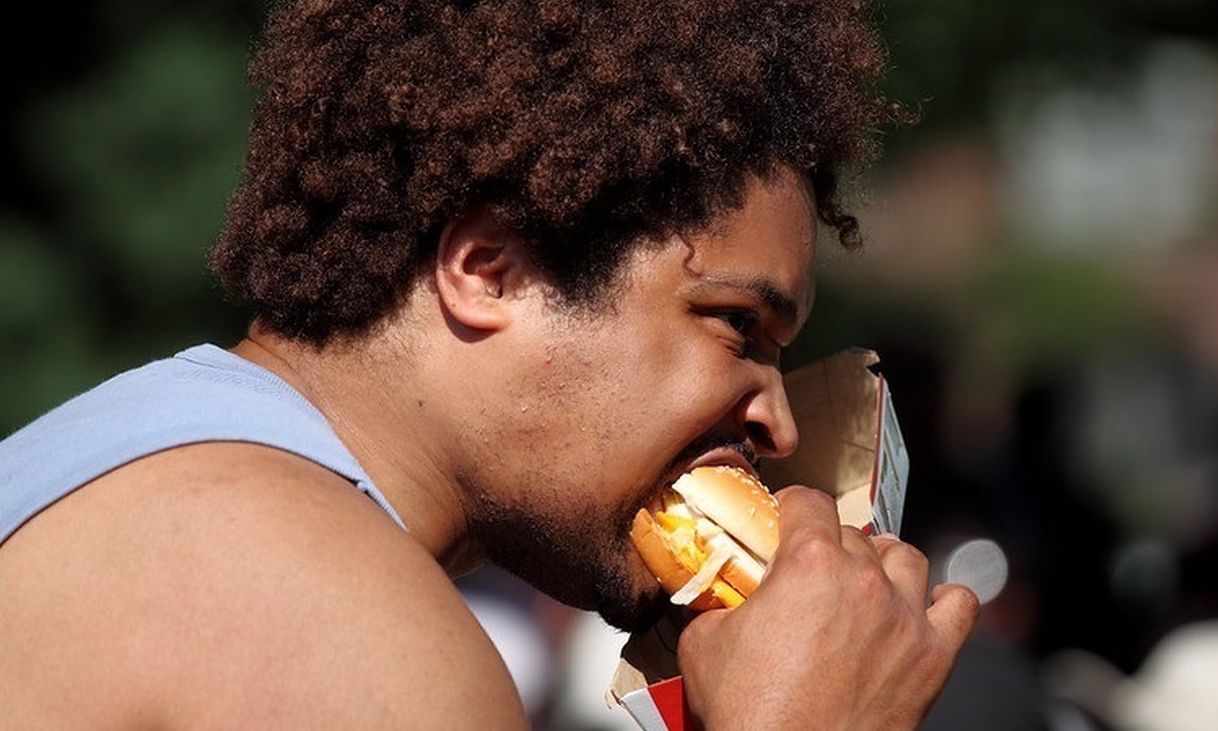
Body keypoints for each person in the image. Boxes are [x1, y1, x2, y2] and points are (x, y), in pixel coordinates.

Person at [0, 0, 979, 727]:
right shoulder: (340, 619)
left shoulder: (148, 457)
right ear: (488, 271)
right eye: (732, 324)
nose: (779, 421)